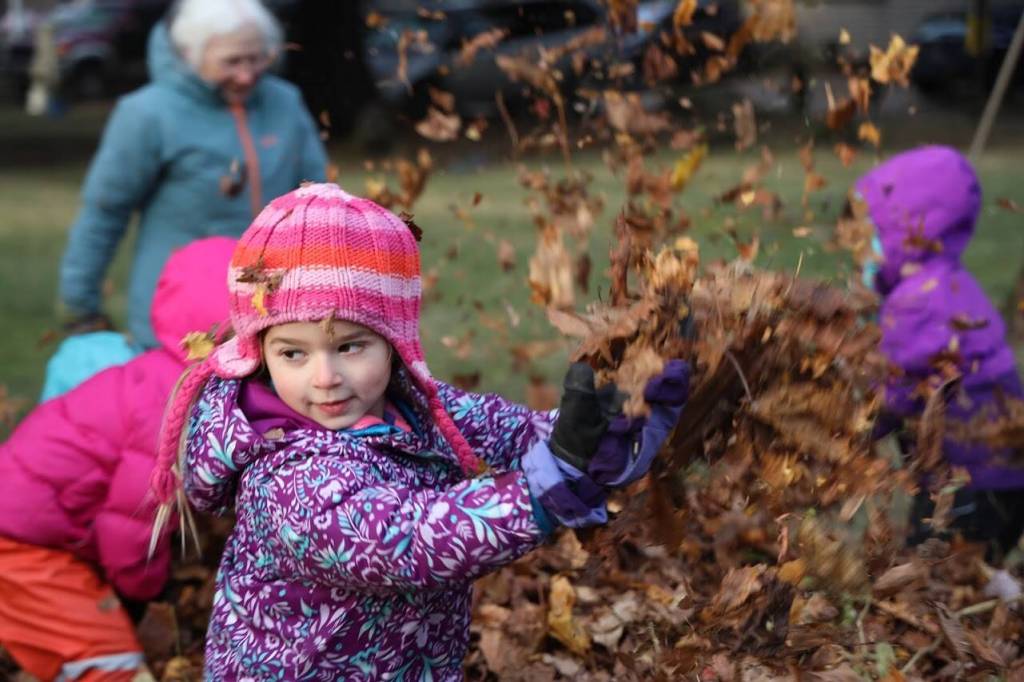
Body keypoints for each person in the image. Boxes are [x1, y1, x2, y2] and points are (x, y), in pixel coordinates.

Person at [148, 183, 691, 680]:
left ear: (395, 341)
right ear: (260, 354)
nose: (325, 377)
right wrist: (538, 491)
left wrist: (600, 440)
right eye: (293, 353)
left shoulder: (412, 406)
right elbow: (409, 542)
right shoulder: (285, 476)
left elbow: (509, 431)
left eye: (350, 346)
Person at [0, 237, 235, 682]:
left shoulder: (157, 374)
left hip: (34, 533)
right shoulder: (172, 407)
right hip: (19, 547)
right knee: (109, 662)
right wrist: (146, 594)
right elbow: (131, 526)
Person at [59, 0, 328, 352]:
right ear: (190, 55)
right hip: (182, 316)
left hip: (280, 308)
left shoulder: (286, 102)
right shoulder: (146, 114)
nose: (247, 74)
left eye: (256, 57)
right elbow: (104, 212)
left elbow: (320, 200)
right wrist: (81, 305)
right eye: (231, 62)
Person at [856, 145, 1024, 597]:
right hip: (1003, 468)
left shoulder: (919, 301)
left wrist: (847, 432)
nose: (865, 248)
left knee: (929, 580)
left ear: (911, 236)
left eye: (874, 234)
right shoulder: (946, 284)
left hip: (972, 477)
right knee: (968, 569)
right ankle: (998, 597)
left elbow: (894, 393)